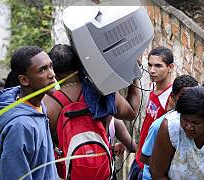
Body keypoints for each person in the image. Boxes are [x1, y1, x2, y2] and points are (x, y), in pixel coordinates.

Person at [0, 45, 58, 180]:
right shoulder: (20, 126)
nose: (52, 74)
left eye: (51, 66)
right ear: (24, 80)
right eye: (42, 70)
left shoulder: (39, 106)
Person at [44, 43, 137, 178]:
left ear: (54, 72)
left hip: (68, 174)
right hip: (103, 171)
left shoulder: (48, 104)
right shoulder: (100, 92)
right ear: (80, 64)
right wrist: (135, 76)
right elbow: (131, 112)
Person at [140, 75, 199, 180]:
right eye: (183, 95)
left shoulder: (196, 125)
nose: (189, 99)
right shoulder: (159, 126)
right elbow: (144, 157)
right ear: (173, 97)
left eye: (193, 95)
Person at [129, 47, 174, 180]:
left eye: (158, 66)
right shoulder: (152, 86)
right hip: (139, 157)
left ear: (170, 67)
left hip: (151, 165)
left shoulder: (171, 98)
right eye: (150, 65)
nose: (152, 70)